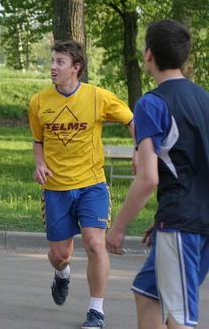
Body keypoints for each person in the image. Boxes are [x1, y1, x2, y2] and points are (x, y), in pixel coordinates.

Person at [106, 20, 209, 329]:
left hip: (183, 222)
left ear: (148, 54)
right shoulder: (204, 99)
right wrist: (167, 220)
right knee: (147, 293)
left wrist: (118, 228)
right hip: (191, 220)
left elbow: (148, 177)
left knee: (179, 317)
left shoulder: (151, 103)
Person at [28, 40, 135, 329]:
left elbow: (131, 119)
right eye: (52, 60)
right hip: (56, 189)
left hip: (92, 185)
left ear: (76, 68)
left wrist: (139, 148)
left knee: (95, 244)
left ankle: (96, 310)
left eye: (59, 62)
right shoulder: (39, 101)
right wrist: (40, 164)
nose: (53, 66)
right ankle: (62, 274)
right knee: (60, 256)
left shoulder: (98, 97)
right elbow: (38, 141)